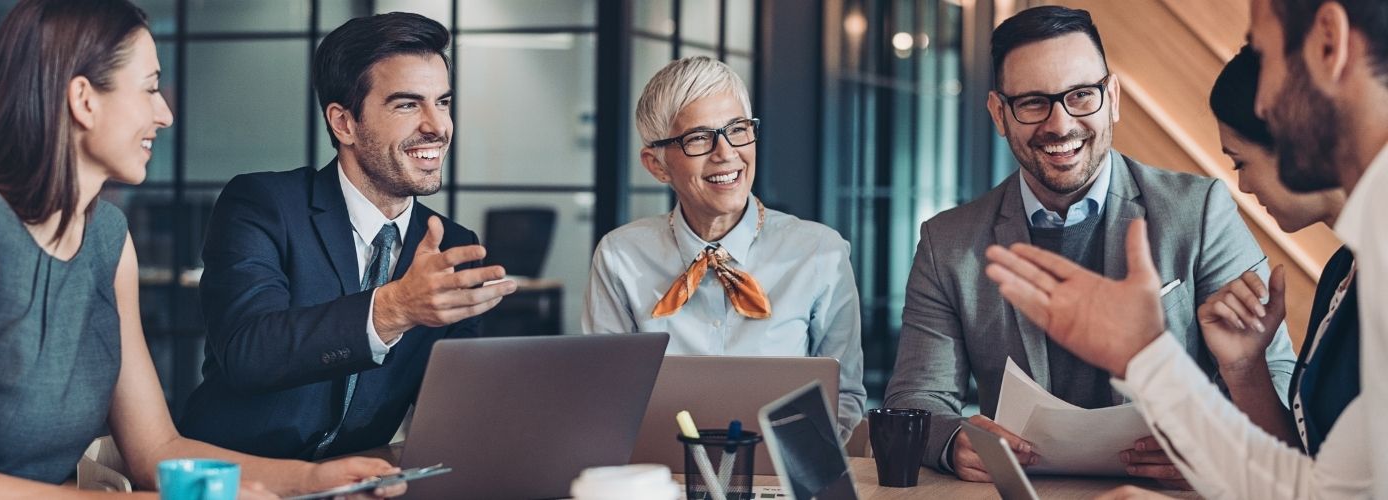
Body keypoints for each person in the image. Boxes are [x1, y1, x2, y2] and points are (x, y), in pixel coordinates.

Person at [0, 0, 401, 498]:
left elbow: (157, 450)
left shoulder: (107, 240)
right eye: (149, 89)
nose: (164, 114)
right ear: (84, 99)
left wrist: (313, 479)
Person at [984, 0, 1388, 496]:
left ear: (1328, 43)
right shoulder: (1367, 252)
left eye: (1264, 55)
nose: (1260, 103)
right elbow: (1332, 491)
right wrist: (1147, 356)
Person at [882, 5, 1295, 487]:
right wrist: (953, 441)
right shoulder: (947, 242)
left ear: (1112, 98)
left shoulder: (1200, 211)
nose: (1060, 125)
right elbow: (914, 398)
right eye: (1033, 102)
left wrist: (1214, 445)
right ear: (999, 113)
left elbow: (1273, 371)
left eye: (1081, 95)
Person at [178, 12, 518, 460]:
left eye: (443, 102)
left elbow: (453, 408)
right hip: (233, 474)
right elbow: (248, 353)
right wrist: (395, 308)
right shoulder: (264, 205)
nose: (437, 126)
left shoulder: (451, 247)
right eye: (407, 105)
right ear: (344, 123)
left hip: (355, 480)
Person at [582, 56, 866, 440]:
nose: (726, 152)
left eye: (737, 129)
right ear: (657, 165)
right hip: (662, 472)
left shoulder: (820, 253)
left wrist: (793, 464)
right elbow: (605, 399)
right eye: (699, 138)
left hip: (779, 474)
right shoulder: (620, 257)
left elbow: (844, 397)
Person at [1202, 46, 1354, 455]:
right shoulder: (1342, 271)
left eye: (1240, 163)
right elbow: (1304, 462)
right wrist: (1244, 366)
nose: (1244, 186)